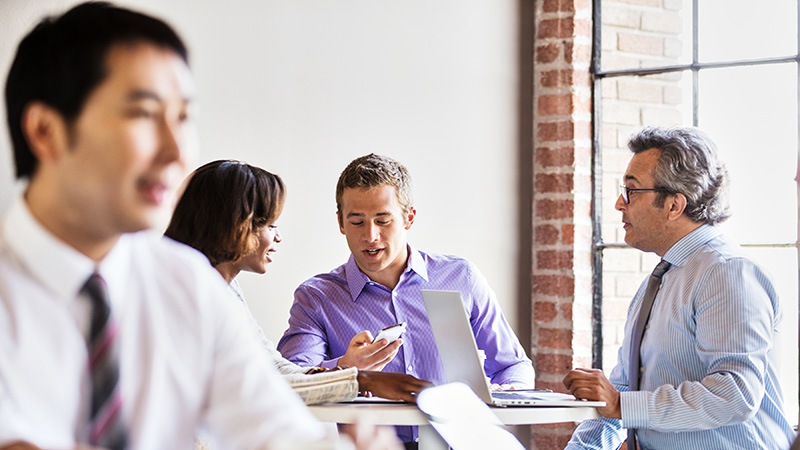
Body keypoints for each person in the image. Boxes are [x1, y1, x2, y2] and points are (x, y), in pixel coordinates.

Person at [0, 3, 400, 449]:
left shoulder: (187, 285)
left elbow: (272, 429)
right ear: (46, 131)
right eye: (144, 115)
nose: (178, 152)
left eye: (184, 119)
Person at [277, 153, 535, 447]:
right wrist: (345, 368)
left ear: (409, 218)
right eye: (357, 221)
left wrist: (512, 393)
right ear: (340, 223)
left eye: (383, 220)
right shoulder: (316, 297)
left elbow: (512, 365)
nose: (370, 235)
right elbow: (290, 383)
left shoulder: (461, 277)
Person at [562, 126, 796, 449]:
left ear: (674, 205)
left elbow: (737, 393)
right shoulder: (657, 282)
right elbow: (622, 389)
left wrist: (622, 405)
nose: (619, 203)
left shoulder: (727, 273)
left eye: (631, 191)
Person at [164, 159, 431, 404]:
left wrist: (351, 376)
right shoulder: (185, 297)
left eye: (383, 220)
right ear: (234, 226)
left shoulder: (224, 291)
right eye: (270, 225)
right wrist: (359, 379)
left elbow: (275, 369)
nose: (278, 237)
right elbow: (260, 385)